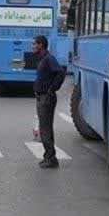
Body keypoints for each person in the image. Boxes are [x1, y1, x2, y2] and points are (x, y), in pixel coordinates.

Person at [32, 35, 66, 169]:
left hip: (46, 98)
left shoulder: (48, 59)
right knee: (45, 128)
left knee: (44, 129)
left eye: (34, 44)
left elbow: (60, 73)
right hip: (42, 97)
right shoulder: (42, 59)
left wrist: (52, 88)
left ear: (41, 45)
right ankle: (49, 156)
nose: (33, 46)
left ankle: (51, 158)